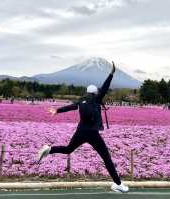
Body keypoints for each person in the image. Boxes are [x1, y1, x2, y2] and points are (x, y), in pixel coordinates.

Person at [37, 61, 129, 193]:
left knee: (68, 149)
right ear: (96, 93)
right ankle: (118, 184)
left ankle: (49, 149)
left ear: (87, 92)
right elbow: (105, 86)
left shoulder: (81, 100)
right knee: (106, 158)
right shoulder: (97, 99)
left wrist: (56, 111)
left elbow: (70, 107)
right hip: (93, 134)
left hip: (81, 132)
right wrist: (111, 74)